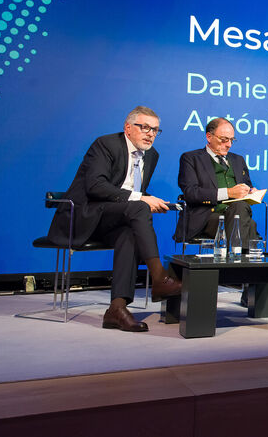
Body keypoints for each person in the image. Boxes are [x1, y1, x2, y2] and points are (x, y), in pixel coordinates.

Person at [47, 106, 181, 332]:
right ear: (128, 128)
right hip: (84, 217)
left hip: (115, 218)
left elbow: (130, 191)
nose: (150, 134)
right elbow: (96, 186)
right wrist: (142, 200)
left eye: (156, 130)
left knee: (129, 233)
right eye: (145, 127)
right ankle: (159, 278)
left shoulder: (152, 155)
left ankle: (117, 309)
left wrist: (152, 201)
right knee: (138, 209)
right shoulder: (106, 144)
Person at [175, 117, 260, 248]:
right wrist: (228, 193)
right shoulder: (191, 158)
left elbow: (247, 185)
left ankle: (234, 261)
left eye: (232, 140)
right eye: (224, 140)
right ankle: (240, 262)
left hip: (236, 214)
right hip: (207, 216)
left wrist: (250, 192)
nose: (229, 145)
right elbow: (191, 193)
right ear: (209, 137)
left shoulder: (238, 160)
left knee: (240, 210)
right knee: (249, 224)